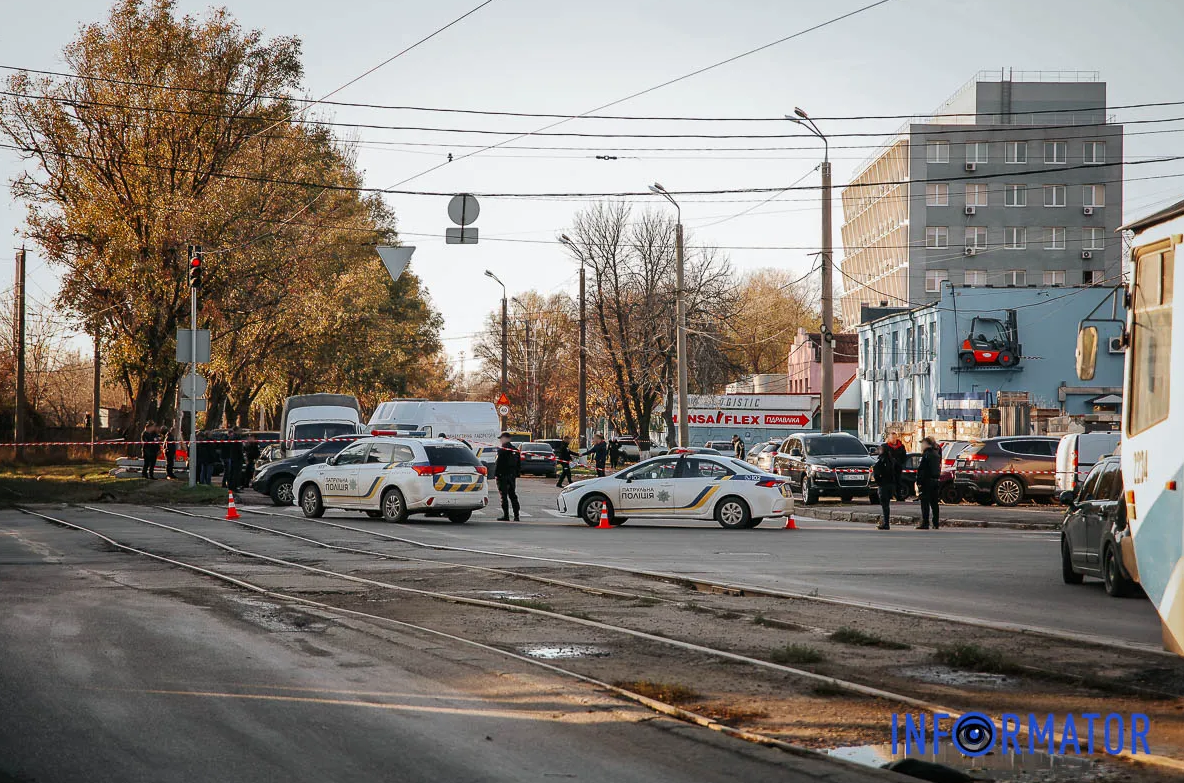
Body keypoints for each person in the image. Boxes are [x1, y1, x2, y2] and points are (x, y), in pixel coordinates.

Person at [915, 437, 942, 530]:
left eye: (922, 443)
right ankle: (935, 523)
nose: (921, 446)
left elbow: (922, 470)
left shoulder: (927, 455)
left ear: (927, 444)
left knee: (925, 503)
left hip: (927, 482)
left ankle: (925, 522)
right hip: (935, 481)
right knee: (934, 503)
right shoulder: (936, 454)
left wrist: (919, 482)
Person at [493, 432, 521, 521]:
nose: (500, 440)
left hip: (502, 475)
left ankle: (506, 515)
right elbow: (519, 464)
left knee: (503, 496)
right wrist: (516, 474)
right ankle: (516, 516)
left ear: (506, 439)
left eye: (501, 438)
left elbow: (498, 464)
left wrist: (496, 474)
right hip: (512, 476)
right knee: (513, 496)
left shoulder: (502, 450)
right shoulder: (515, 450)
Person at [872, 444, 894, 530]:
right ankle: (886, 522)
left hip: (883, 485)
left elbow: (876, 473)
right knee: (886, 504)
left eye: (880, 449)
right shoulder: (891, 460)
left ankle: (886, 523)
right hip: (890, 485)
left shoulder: (881, 460)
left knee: (885, 505)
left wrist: (879, 482)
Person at [884, 432, 908, 501]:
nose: (893, 439)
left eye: (894, 437)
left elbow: (904, 456)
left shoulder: (901, 446)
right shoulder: (886, 446)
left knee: (898, 482)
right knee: (889, 482)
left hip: (898, 467)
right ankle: (889, 495)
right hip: (889, 468)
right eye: (892, 438)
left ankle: (899, 496)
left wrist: (901, 463)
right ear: (889, 438)